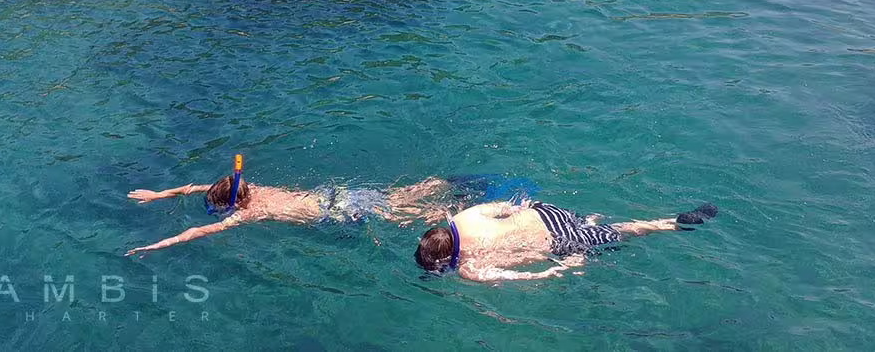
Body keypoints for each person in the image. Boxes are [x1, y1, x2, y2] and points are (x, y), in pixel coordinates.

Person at [124, 164, 457, 257]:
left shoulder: (248, 214)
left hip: (335, 214)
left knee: (395, 214)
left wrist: (155, 245)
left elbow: (197, 232)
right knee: (393, 199)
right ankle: (432, 185)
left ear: (234, 205)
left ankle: (439, 209)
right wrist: (160, 194)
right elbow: (194, 188)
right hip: (334, 196)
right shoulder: (253, 191)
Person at [413, 199, 718, 282]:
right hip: (547, 213)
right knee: (587, 222)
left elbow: (513, 275)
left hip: (559, 241)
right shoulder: (462, 218)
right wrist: (526, 209)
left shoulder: (469, 268)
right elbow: (504, 207)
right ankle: (590, 220)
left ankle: (669, 225)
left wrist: (556, 270)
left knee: (623, 232)